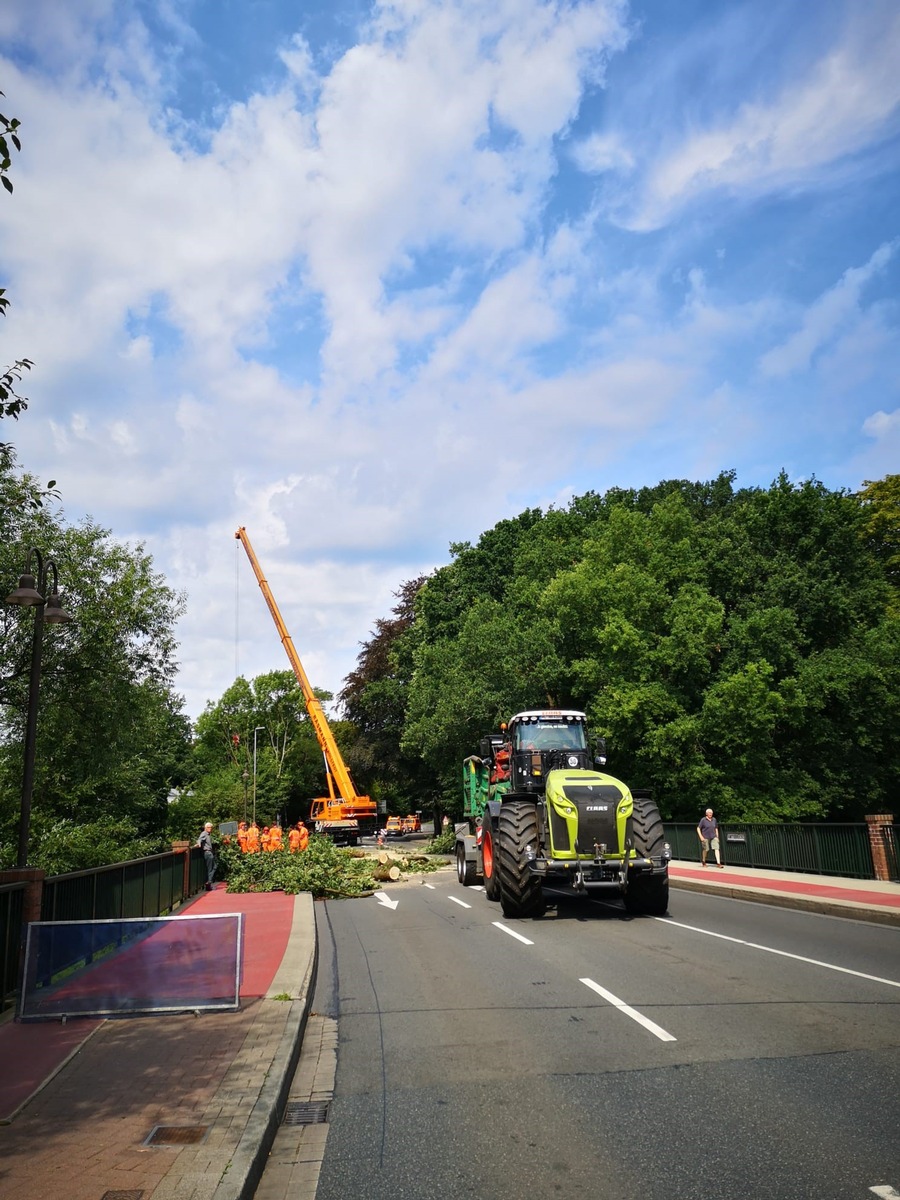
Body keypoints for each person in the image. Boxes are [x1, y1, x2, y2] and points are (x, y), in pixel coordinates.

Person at [198, 821, 216, 889]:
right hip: (208, 853)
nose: (210, 829)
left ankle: (209, 883)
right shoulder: (204, 833)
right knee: (211, 868)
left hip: (209, 852)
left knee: (213, 867)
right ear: (205, 828)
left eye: (211, 827)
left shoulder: (208, 834)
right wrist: (199, 844)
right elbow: (200, 839)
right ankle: (209, 882)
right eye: (209, 827)